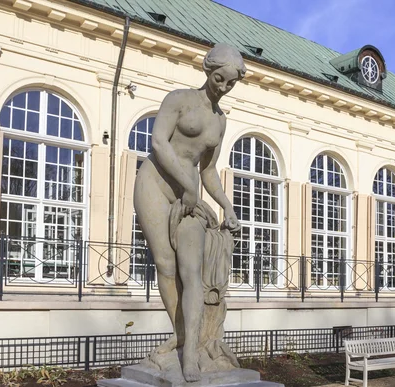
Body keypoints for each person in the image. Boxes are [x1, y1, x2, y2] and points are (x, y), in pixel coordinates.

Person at [133, 43, 245, 382]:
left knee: (191, 271)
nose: (222, 88)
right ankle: (181, 336)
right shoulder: (179, 99)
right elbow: (157, 143)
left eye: (230, 84)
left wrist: (226, 205)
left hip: (190, 197)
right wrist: (188, 185)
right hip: (155, 183)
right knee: (166, 265)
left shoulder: (220, 121)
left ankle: (192, 351)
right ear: (208, 71)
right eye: (219, 79)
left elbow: (208, 171)